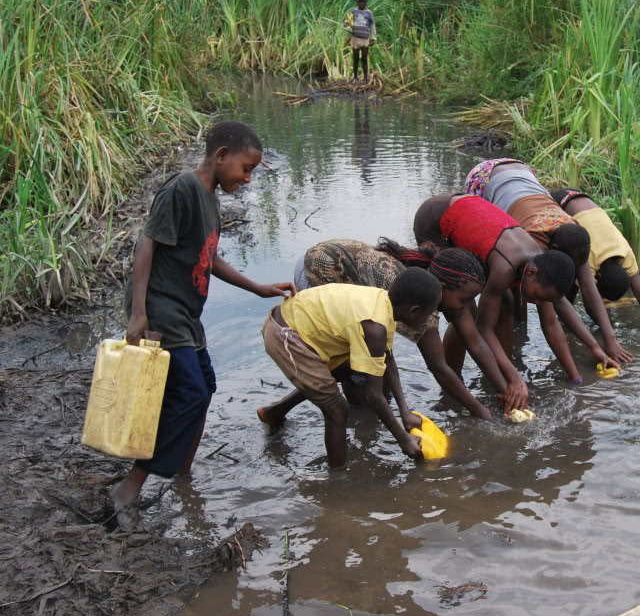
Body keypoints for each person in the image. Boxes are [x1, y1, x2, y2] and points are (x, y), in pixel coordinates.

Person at [111, 121, 295, 522]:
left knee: (205, 386)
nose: (247, 179)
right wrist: (139, 313)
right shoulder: (183, 188)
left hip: (185, 313)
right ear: (221, 155)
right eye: (246, 169)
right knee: (191, 393)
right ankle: (130, 486)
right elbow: (147, 244)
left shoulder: (210, 200)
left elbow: (209, 258)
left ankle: (183, 475)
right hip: (161, 308)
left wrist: (258, 288)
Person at [413, 194, 620, 404]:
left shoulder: (539, 265)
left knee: (507, 304)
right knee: (463, 309)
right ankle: (452, 387)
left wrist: (576, 377)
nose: (537, 304)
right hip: (436, 220)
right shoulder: (505, 268)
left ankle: (502, 375)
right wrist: (516, 377)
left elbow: (551, 323)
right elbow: (484, 328)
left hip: (475, 223)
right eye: (537, 297)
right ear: (531, 273)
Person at [281, 238, 494, 419]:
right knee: (355, 375)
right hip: (318, 269)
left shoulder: (419, 288)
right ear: (443, 289)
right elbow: (438, 367)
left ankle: (278, 410)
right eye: (464, 300)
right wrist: (481, 412)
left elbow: (473, 342)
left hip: (334, 265)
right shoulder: (420, 304)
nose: (466, 307)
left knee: (374, 377)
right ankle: (358, 429)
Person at [258, 268, 440, 468]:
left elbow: (387, 360)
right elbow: (375, 395)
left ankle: (274, 413)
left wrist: (405, 412)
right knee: (337, 410)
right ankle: (338, 478)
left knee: (345, 370)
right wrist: (403, 438)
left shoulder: (383, 303)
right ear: (414, 311)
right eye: (429, 314)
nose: (428, 319)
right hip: (286, 337)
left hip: (292, 324)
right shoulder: (374, 326)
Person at [465, 159, 633, 365]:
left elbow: (588, 287)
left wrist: (609, 340)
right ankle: (517, 333)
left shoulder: (574, 238)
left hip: (523, 172)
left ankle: (518, 329)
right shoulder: (532, 241)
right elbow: (550, 309)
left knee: (529, 287)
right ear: (554, 249)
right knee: (511, 288)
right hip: (485, 178)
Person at [552, 188, 640, 334]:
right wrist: (609, 329)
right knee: (571, 276)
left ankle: (564, 318)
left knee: (576, 272)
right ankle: (563, 319)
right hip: (559, 204)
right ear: (598, 277)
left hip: (581, 198)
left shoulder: (626, 254)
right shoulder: (589, 258)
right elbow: (589, 304)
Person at [345, 0, 376, 83]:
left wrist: (373, 38)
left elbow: (372, 25)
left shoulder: (369, 13)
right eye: (360, 2)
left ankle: (365, 78)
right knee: (355, 59)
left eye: (363, 2)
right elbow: (347, 22)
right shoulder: (353, 12)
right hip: (355, 39)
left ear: (366, 2)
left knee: (364, 59)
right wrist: (347, 26)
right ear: (357, 1)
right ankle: (355, 77)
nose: (361, 4)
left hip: (365, 40)